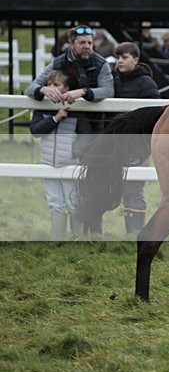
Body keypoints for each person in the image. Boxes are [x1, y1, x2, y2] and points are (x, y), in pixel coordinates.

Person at [26, 24, 115, 236]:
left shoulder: (100, 63)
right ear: (72, 44)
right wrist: (43, 89)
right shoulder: (59, 62)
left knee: (94, 184)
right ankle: (68, 237)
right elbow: (31, 87)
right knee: (67, 193)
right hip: (73, 127)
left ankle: (91, 233)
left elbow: (109, 90)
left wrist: (82, 92)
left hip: (97, 127)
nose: (87, 47)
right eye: (82, 43)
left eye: (90, 43)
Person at [112, 42, 161, 235]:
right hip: (118, 143)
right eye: (118, 57)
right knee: (122, 186)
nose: (120, 61)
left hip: (138, 144)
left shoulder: (146, 83)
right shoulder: (114, 80)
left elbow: (153, 114)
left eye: (124, 57)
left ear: (136, 59)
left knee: (134, 187)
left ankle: (135, 230)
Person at [29, 70, 80, 239]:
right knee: (54, 201)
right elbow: (35, 130)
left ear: (66, 88)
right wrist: (55, 118)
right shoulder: (42, 107)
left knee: (72, 202)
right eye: (49, 85)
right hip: (48, 162)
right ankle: (57, 237)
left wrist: (73, 154)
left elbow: (85, 136)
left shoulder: (78, 109)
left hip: (69, 163)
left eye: (56, 85)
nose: (52, 89)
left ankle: (77, 237)